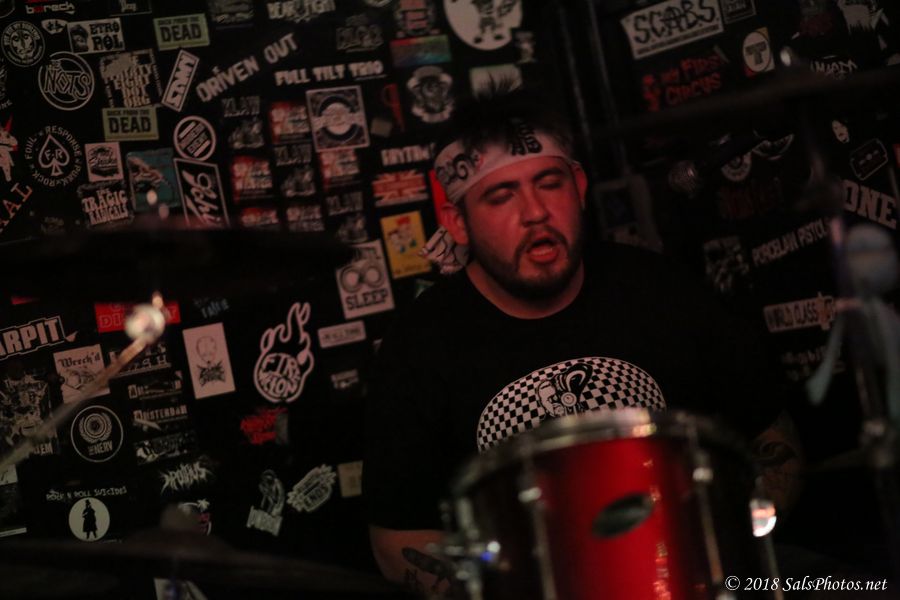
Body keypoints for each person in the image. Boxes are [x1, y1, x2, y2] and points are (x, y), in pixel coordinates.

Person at [363, 83, 803, 594]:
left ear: (578, 186)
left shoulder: (660, 290)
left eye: (549, 183)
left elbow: (774, 442)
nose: (535, 212)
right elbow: (397, 538)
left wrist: (724, 548)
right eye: (501, 196)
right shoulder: (421, 345)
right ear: (457, 222)